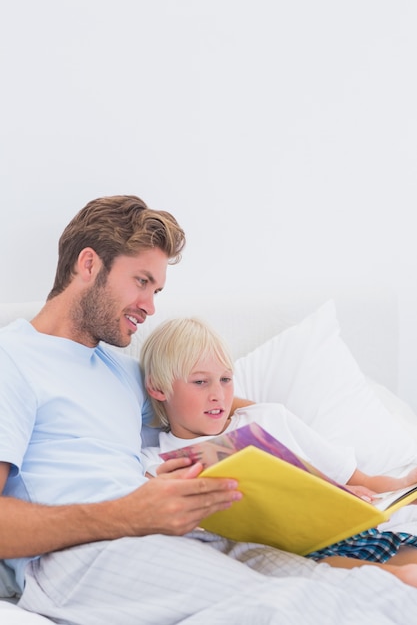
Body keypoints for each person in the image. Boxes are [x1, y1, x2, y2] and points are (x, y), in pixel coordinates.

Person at [1, 195, 417, 625]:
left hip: (168, 533)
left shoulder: (123, 373)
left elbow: (206, 403)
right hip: (78, 559)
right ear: (88, 265)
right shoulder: (11, 360)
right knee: (293, 607)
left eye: (156, 289)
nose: (150, 306)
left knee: (377, 588)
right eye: (141, 281)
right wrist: (128, 513)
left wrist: (280, 447)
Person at [139, 315, 417, 587]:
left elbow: (361, 481)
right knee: (328, 567)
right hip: (280, 555)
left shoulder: (266, 418)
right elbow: (160, 520)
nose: (218, 395)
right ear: (157, 387)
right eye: (200, 382)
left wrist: (404, 486)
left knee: (402, 559)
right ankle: (396, 580)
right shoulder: (156, 462)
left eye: (225, 379)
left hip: (341, 530)